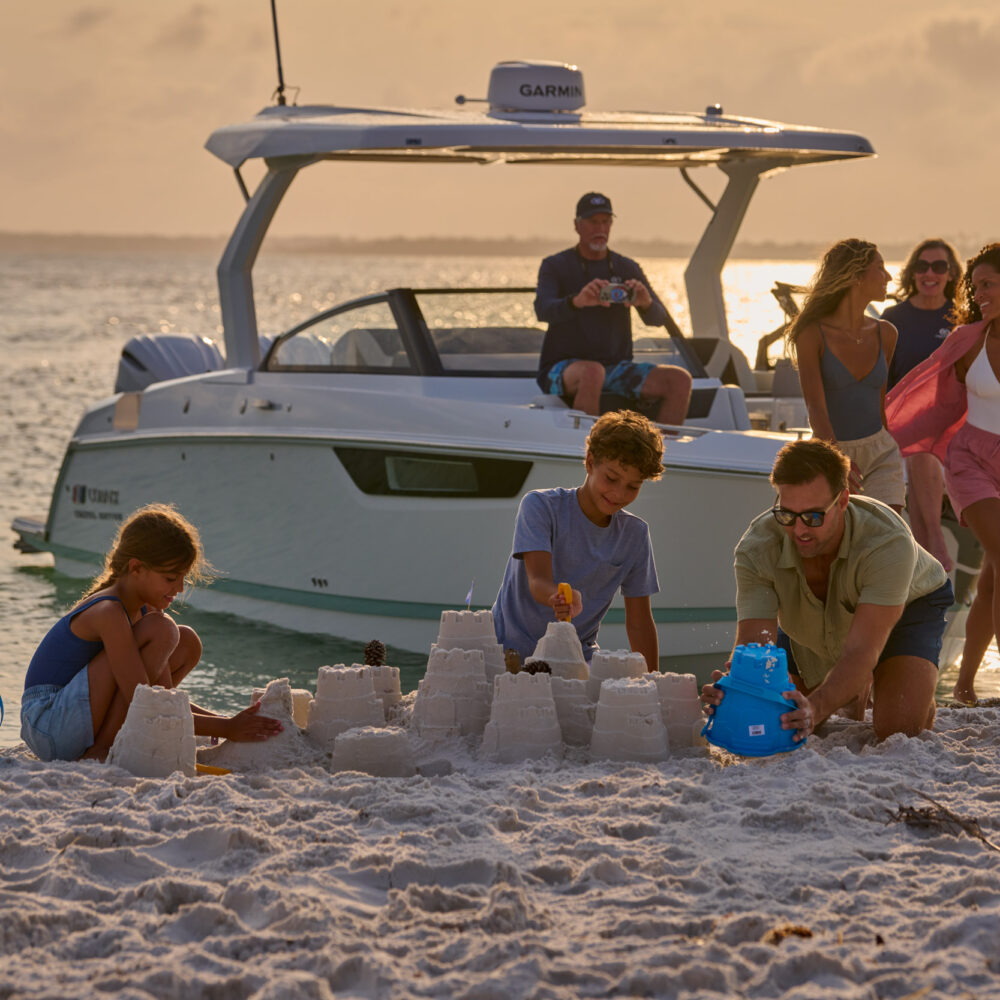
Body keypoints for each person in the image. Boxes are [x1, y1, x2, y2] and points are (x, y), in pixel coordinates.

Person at [702, 439, 952, 741]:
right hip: (811, 624)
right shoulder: (757, 548)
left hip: (908, 605)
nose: (800, 530)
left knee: (898, 728)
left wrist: (816, 708)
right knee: (780, 713)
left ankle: (905, 686)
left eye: (813, 516)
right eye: (786, 515)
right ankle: (852, 688)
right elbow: (756, 646)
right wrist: (737, 686)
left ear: (843, 500)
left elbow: (862, 651)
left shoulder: (887, 542)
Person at [20, 503, 283, 762]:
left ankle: (108, 741)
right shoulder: (109, 612)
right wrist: (225, 728)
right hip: (48, 724)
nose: (180, 588)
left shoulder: (144, 610)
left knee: (187, 641)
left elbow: (161, 696)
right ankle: (102, 749)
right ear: (136, 568)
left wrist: (225, 721)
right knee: (163, 629)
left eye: (183, 578)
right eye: (170, 578)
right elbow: (143, 698)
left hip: (72, 720)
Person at [887, 242, 1000, 706]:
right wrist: (885, 432)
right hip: (970, 460)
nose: (980, 293)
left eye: (989, 284)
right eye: (976, 286)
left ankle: (966, 683)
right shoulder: (968, 339)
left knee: (992, 573)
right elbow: (928, 398)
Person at [492, 409, 662, 669]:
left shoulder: (635, 534)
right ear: (590, 462)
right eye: (611, 478)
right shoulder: (540, 506)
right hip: (508, 651)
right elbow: (538, 581)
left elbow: (639, 623)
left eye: (633, 486)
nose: (619, 494)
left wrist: (653, 681)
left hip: (577, 659)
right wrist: (560, 597)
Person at [534, 192, 692, 426]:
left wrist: (645, 303)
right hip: (562, 368)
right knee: (593, 372)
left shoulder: (626, 267)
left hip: (615, 367)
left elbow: (659, 318)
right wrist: (577, 301)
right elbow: (543, 310)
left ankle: (660, 447)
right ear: (577, 225)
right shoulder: (555, 265)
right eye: (593, 222)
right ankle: (589, 446)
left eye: (606, 222)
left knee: (679, 380)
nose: (600, 228)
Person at [787, 239, 905, 511]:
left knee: (887, 529)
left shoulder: (886, 333)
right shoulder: (812, 334)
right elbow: (815, 408)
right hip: (830, 452)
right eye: (880, 268)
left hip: (881, 454)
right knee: (839, 534)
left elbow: (879, 404)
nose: (888, 276)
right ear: (855, 276)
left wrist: (892, 446)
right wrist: (837, 459)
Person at [882, 239, 963, 570]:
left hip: (952, 421)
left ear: (951, 273)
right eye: (922, 266)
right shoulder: (893, 318)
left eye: (939, 266)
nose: (930, 273)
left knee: (923, 449)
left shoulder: (961, 318)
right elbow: (881, 380)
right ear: (912, 272)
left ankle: (924, 552)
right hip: (903, 419)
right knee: (921, 448)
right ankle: (935, 541)